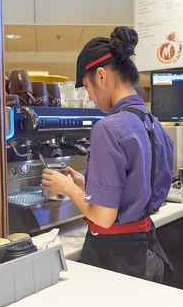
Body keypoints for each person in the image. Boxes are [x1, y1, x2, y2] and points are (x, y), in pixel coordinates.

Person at [41, 27, 174, 282]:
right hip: (147, 251)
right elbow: (139, 189)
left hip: (116, 259)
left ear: (101, 76)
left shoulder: (107, 128)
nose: (90, 98)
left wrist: (68, 189)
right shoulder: (155, 124)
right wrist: (87, 185)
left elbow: (103, 217)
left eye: (88, 87)